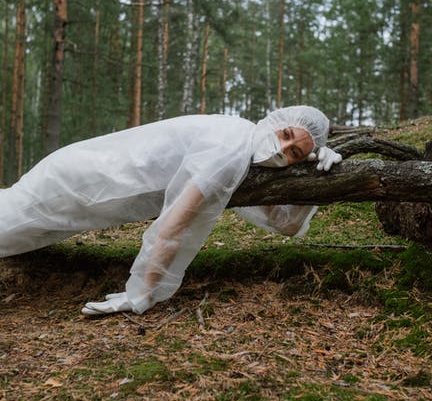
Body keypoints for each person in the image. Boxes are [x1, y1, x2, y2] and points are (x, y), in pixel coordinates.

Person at [0, 106, 342, 315]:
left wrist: (318, 175)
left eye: (295, 153)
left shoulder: (242, 144)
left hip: (93, 192)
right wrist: (144, 292)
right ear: (276, 119)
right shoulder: (229, 147)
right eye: (284, 134)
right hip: (79, 182)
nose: (281, 149)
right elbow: (175, 224)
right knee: (7, 228)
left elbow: (283, 223)